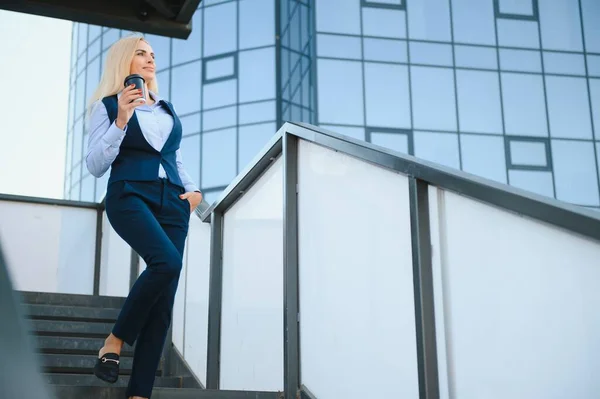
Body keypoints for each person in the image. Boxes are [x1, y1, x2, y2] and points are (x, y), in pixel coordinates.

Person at [85, 34, 203, 399]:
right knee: (165, 262)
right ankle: (115, 340)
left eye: (152, 55)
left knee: (163, 306)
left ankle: (139, 394)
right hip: (129, 194)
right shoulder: (106, 106)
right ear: (125, 62)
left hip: (173, 202)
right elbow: (94, 165)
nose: (151, 60)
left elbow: (175, 156)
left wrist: (194, 192)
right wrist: (122, 118)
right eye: (141, 54)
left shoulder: (166, 108)